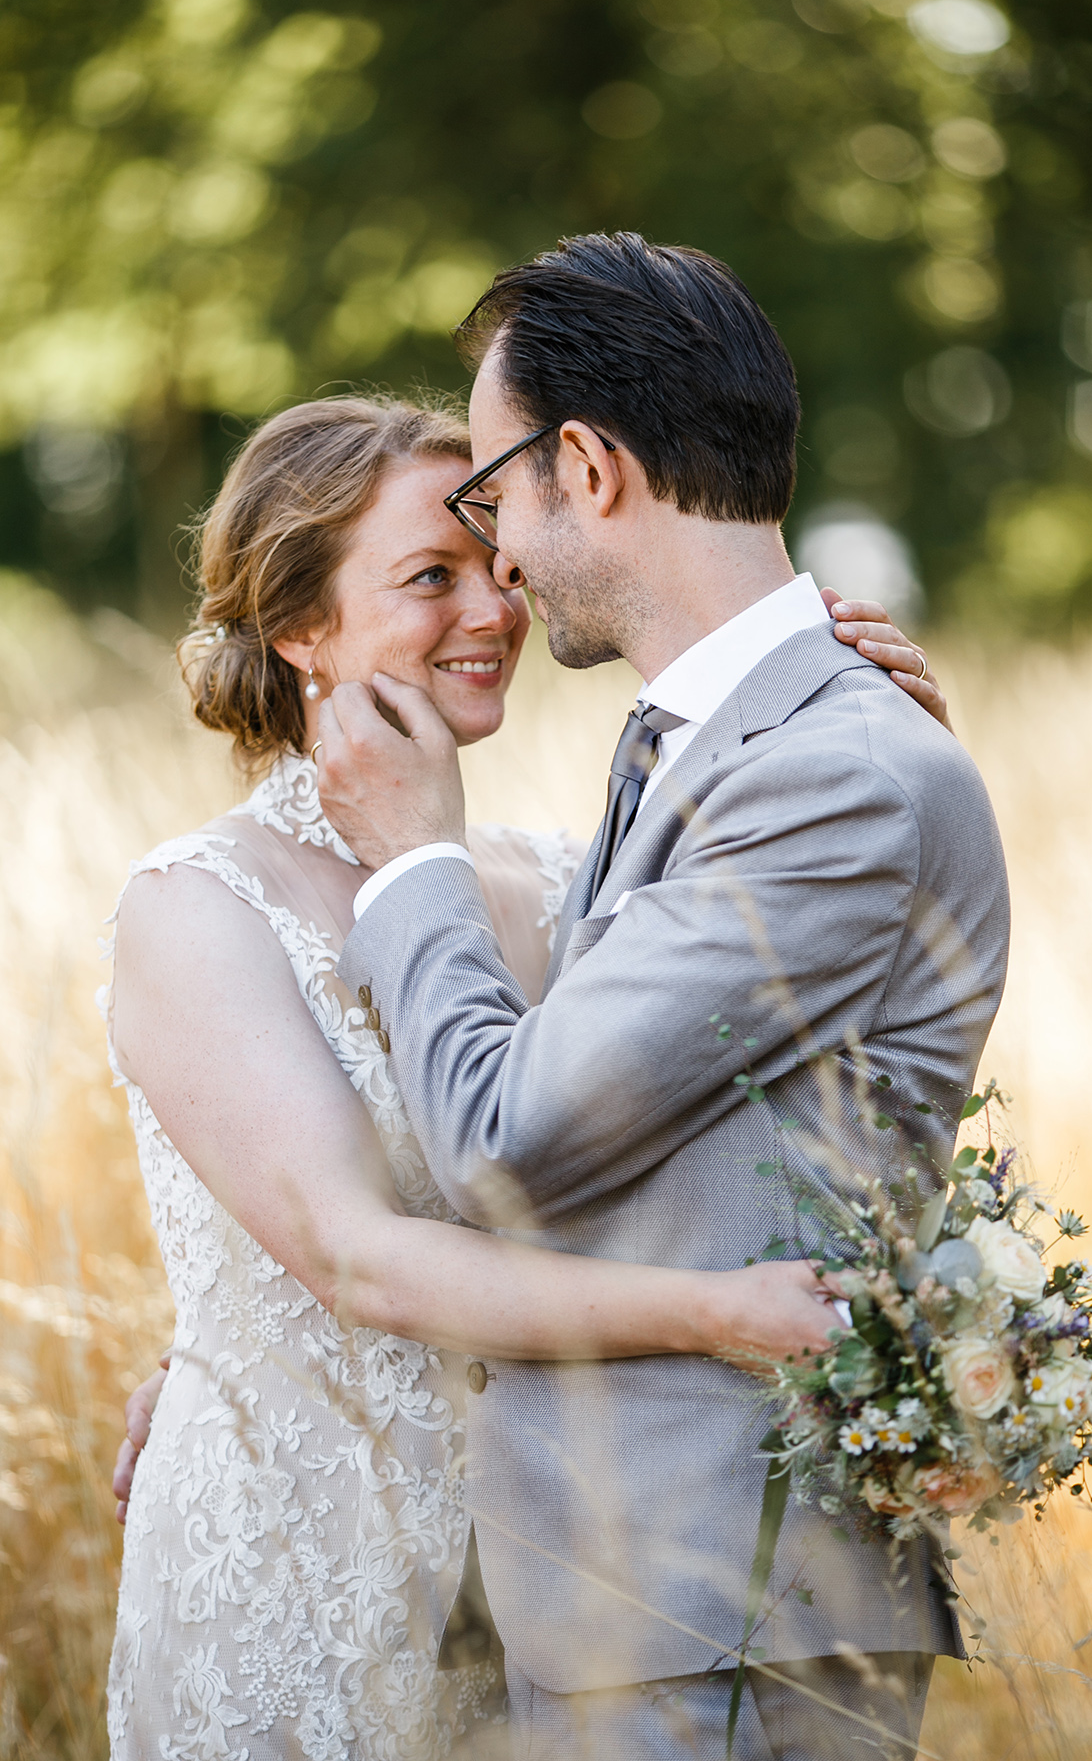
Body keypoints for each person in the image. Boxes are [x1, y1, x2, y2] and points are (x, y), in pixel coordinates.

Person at [106, 389, 943, 1760]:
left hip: (558, 1579)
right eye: (429, 577)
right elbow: (359, 1264)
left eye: (495, 564)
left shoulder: (556, 882)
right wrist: (719, 1313)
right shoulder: (198, 907)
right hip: (303, 1568)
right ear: (300, 626)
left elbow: (727, 1067)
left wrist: (862, 729)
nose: (492, 610)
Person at [313, 234, 1011, 1760]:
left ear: (588, 465)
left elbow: (511, 1139)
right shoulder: (709, 742)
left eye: (494, 497)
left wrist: (412, 863)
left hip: (716, 1603)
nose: (495, 557)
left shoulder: (833, 768)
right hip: (633, 1594)